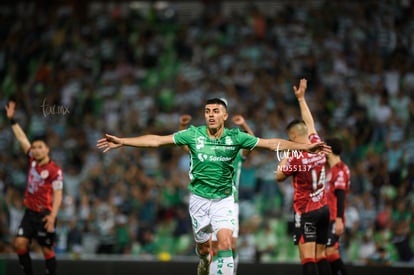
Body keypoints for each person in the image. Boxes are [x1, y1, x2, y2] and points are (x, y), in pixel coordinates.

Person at [97, 97, 330, 275]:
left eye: (215, 111)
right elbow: (157, 140)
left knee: (225, 241)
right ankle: (203, 260)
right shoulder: (193, 135)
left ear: (225, 115)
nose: (210, 115)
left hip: (224, 199)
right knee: (204, 250)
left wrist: (303, 147)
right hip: (199, 200)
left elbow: (270, 143)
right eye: (207, 111)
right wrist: (123, 141)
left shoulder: (235, 138)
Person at [179, 112, 255, 275]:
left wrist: (243, 125)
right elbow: (186, 147)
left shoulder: (236, 153)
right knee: (212, 245)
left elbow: (251, 143)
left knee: (230, 244)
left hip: (230, 200)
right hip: (208, 198)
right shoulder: (207, 152)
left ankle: (230, 272)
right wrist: (182, 127)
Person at [275, 79, 332, 275]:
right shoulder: (318, 144)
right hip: (324, 208)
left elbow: (279, 177)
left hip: (306, 212)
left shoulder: (296, 157)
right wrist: (301, 99)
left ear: (291, 137)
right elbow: (310, 123)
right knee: (321, 255)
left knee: (307, 257)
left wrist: (285, 156)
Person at [5, 101, 64, 275]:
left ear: (47, 150)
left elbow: (58, 193)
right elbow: (22, 139)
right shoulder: (32, 158)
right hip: (29, 212)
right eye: (35, 147)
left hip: (44, 213)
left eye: (40, 147)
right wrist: (12, 120)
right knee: (19, 244)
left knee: (46, 250)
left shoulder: (54, 170)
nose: (36, 150)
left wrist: (53, 216)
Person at [324, 137, 350, 275]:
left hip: (335, 217)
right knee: (330, 253)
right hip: (329, 217)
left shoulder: (340, 170)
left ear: (329, 150)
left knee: (329, 251)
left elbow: (341, 195)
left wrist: (339, 219)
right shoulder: (331, 171)